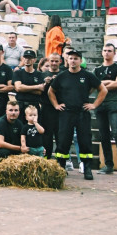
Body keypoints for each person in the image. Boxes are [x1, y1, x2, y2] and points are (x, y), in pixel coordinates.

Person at [48, 48, 107, 180]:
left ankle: (87, 168)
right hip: (66, 113)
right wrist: (56, 105)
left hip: (82, 113)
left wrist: (94, 105)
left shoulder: (88, 75)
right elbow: (51, 91)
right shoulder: (61, 76)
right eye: (71, 58)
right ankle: (60, 167)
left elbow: (103, 89)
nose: (73, 61)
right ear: (67, 60)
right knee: (63, 141)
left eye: (76, 58)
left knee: (85, 141)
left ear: (80, 61)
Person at [94, 43, 117, 176]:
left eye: (109, 51)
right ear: (101, 52)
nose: (107, 53)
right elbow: (93, 86)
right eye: (104, 50)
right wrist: (109, 83)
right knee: (104, 135)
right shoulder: (97, 70)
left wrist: (101, 84)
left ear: (114, 53)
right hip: (100, 104)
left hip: (114, 103)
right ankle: (108, 165)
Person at [0, 100, 27, 168]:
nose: (13, 113)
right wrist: (20, 148)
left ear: (19, 112)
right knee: (6, 152)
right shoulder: (0, 123)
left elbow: (26, 139)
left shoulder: (19, 123)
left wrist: (38, 148)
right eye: (11, 110)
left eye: (16, 110)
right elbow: (0, 144)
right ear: (6, 111)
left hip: (9, 148)